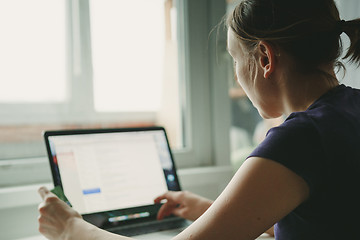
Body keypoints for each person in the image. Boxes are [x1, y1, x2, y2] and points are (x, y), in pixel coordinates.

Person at [38, 0, 360, 239]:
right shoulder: (348, 110)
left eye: (235, 60)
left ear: (265, 58)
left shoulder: (300, 138)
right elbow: (310, 224)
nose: (235, 78)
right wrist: (204, 209)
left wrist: (69, 227)